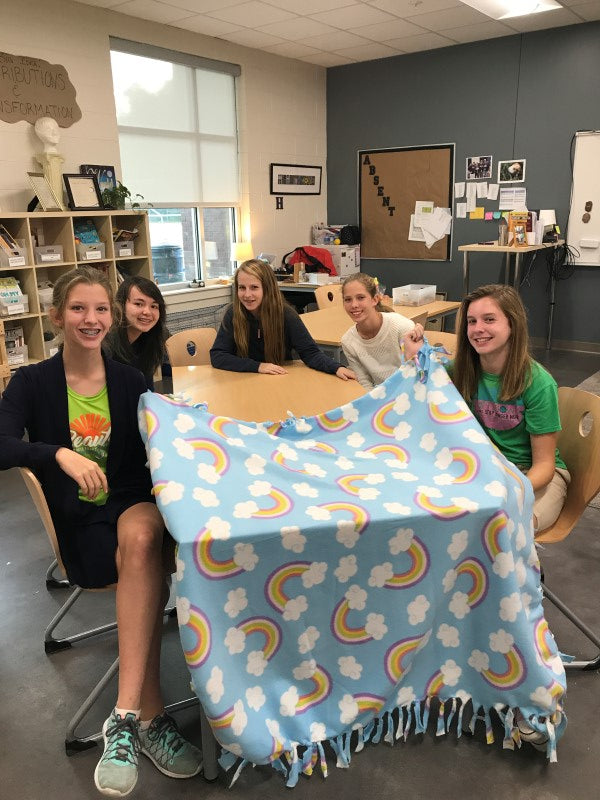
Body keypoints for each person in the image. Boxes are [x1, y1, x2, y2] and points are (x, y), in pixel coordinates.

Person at [0, 267, 201, 797]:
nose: (91, 320)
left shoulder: (130, 380)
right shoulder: (31, 383)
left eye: (100, 311)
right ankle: (148, 718)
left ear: (110, 319)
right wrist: (57, 453)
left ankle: (124, 718)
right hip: (80, 524)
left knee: (142, 538)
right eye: (78, 309)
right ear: (56, 315)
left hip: (131, 502)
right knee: (147, 563)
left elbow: (152, 454)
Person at [403, 283, 569, 535]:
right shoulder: (461, 371)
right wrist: (415, 354)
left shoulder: (538, 383)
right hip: (484, 468)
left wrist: (506, 490)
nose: (478, 329)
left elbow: (544, 465)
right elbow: (420, 388)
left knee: (508, 530)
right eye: (471, 321)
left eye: (489, 319)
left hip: (532, 476)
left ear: (512, 324)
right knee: (434, 515)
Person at [210, 258, 356, 380]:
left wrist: (336, 367)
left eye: (254, 287)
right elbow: (218, 355)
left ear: (267, 288)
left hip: (279, 380)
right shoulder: (233, 313)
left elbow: (310, 353)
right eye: (242, 288)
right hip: (243, 380)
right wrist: (258, 366)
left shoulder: (286, 314)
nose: (247, 294)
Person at [340, 272, 420, 390]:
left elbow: (417, 373)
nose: (354, 305)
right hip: (381, 399)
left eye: (361, 298)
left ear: (375, 299)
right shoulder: (348, 341)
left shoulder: (402, 327)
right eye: (347, 300)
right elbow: (364, 382)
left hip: (411, 393)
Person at [106, 276, 168, 390]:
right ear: (121, 305)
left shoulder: (151, 337)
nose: (147, 312)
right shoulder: (107, 347)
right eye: (138, 304)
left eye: (154, 306)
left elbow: (146, 391)